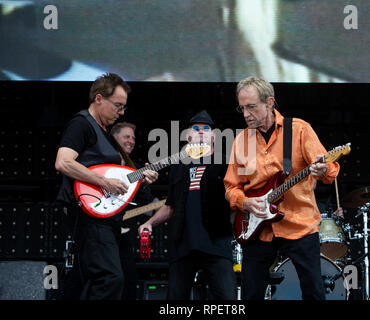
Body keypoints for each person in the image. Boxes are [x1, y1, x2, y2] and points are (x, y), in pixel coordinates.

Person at [223, 76, 340, 300]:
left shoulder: (299, 130)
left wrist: (322, 170)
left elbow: (331, 170)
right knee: (251, 293)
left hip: (299, 224)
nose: (246, 114)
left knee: (314, 292)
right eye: (242, 108)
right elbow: (231, 187)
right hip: (257, 229)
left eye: (251, 107)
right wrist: (245, 202)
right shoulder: (241, 141)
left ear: (269, 102)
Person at [54, 73, 158, 300]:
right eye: (118, 106)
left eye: (124, 107)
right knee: (109, 278)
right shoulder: (81, 124)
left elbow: (117, 177)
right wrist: (103, 182)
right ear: (99, 99)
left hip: (106, 216)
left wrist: (141, 178)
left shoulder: (106, 135)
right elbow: (63, 162)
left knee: (99, 280)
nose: (121, 112)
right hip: (88, 214)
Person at [138, 110, 237, 300]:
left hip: (215, 242)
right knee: (175, 299)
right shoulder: (179, 167)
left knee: (227, 298)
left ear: (214, 136)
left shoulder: (226, 162)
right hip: (183, 244)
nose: (201, 132)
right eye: (196, 128)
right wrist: (150, 223)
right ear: (188, 136)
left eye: (206, 128)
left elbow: (237, 199)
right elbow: (170, 206)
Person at [110, 121, 157, 300]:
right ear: (114, 139)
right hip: (99, 230)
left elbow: (146, 206)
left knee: (127, 279)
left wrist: (145, 184)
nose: (131, 141)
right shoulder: (101, 161)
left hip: (124, 234)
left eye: (133, 138)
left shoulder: (135, 169)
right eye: (127, 136)